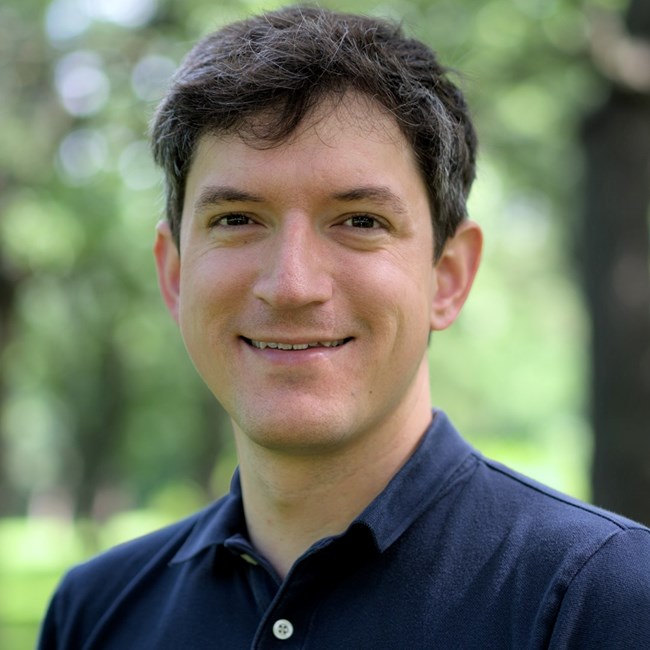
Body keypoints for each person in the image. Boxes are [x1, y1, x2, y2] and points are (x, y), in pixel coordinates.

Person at [39, 5, 650, 649]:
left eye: (360, 221)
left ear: (447, 277)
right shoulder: (94, 614)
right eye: (238, 218)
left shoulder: (601, 599)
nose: (292, 284)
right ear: (174, 273)